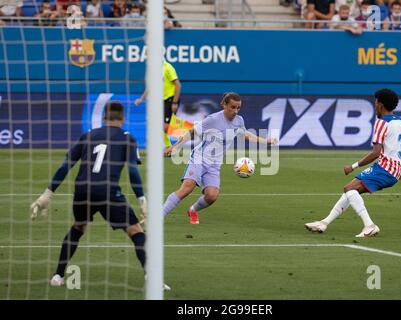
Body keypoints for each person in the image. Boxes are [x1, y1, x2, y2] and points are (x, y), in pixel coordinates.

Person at [29, 101, 170, 290]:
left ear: (103, 118)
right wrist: (142, 199)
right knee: (135, 231)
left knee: (78, 227)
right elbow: (133, 172)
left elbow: (66, 165)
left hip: (82, 190)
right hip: (108, 191)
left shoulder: (88, 135)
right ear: (123, 119)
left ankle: (58, 276)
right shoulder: (127, 138)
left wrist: (48, 193)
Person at [305, 88, 401, 237]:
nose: (375, 105)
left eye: (376, 102)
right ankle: (324, 223)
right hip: (392, 171)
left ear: (380, 105)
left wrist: (353, 166)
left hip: (385, 169)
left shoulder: (381, 123)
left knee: (349, 189)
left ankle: (369, 225)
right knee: (351, 190)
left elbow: (375, 153)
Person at [161, 92, 277, 225]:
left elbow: (244, 134)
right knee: (187, 187)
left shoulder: (239, 120)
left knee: (212, 196)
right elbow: (192, 131)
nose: (235, 111)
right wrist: (175, 147)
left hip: (214, 165)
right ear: (225, 105)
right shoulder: (213, 119)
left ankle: (193, 210)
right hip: (199, 158)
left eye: (238, 107)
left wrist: (265, 141)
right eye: (233, 107)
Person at [135, 60, 181, 146]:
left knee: (165, 126)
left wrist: (174, 102)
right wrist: (141, 99)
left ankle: (189, 132)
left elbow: (178, 85)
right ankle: (169, 148)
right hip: (162, 100)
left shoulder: (168, 67)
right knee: (161, 126)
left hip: (170, 99)